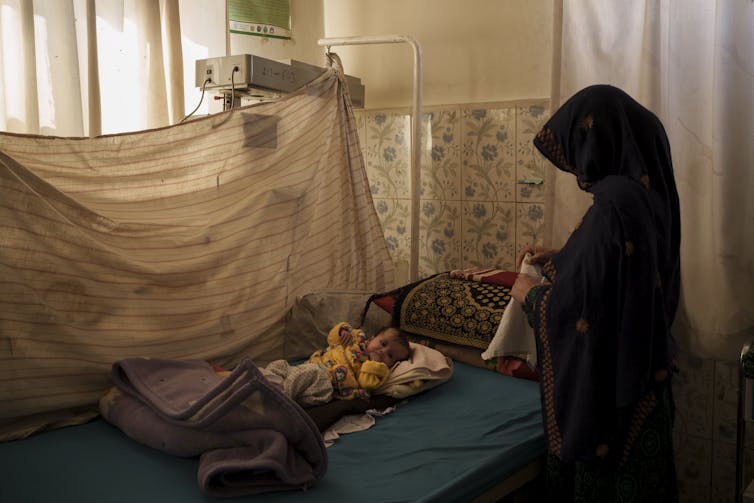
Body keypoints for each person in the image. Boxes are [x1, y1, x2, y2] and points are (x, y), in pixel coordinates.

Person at [511, 84, 680, 502]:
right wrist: (561, 257)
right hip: (647, 386)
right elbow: (621, 272)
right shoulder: (646, 193)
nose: (579, 170)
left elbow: (585, 310)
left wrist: (531, 295)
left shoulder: (615, 202)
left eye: (576, 150)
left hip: (612, 412)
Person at [308, 322, 411, 400]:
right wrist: (342, 332)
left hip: (329, 384)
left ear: (393, 364)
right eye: (383, 344)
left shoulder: (379, 370)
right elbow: (332, 340)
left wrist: (372, 364)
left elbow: (366, 384)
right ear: (371, 339)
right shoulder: (356, 339)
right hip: (316, 365)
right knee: (298, 378)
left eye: (390, 355)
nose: (382, 351)